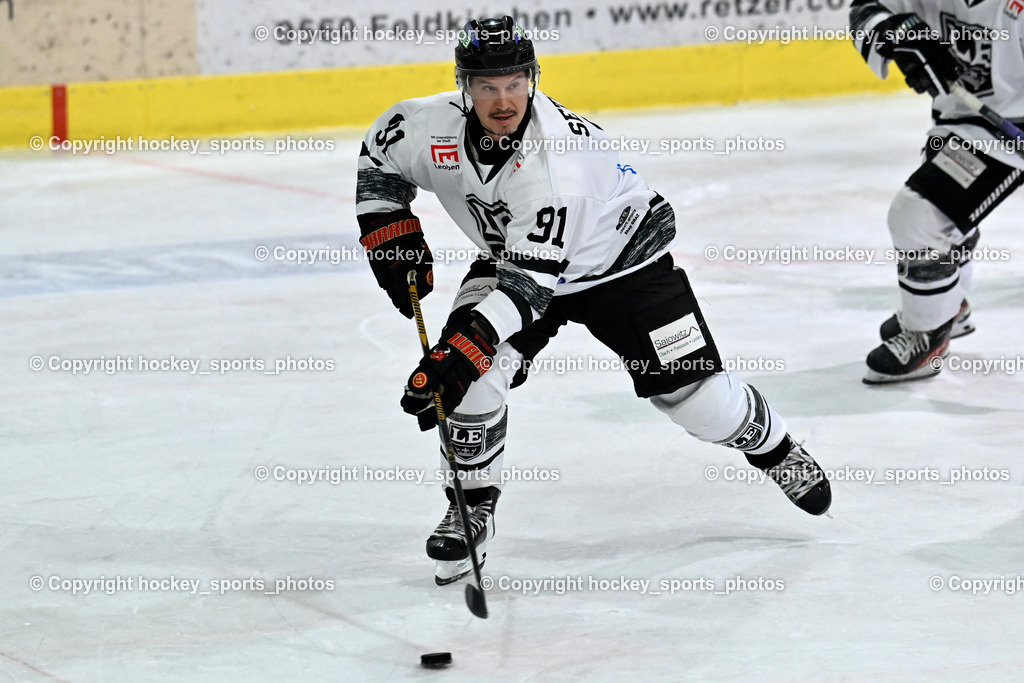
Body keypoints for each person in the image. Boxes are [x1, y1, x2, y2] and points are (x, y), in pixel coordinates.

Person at [356, 16, 832, 586]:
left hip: (621, 264)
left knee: (698, 402)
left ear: (532, 78)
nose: (503, 100)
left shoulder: (557, 166)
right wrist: (388, 229)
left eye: (514, 83)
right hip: (517, 259)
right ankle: (471, 507)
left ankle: (773, 445)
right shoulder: (422, 124)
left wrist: (460, 350)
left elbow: (529, 290)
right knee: (473, 380)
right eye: (487, 86)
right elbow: (378, 162)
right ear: (464, 86)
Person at [850, 0, 1024, 383]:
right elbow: (866, 7)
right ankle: (948, 307)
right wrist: (891, 31)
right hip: (955, 122)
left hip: (1011, 131)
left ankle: (927, 333)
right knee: (944, 219)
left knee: (918, 216)